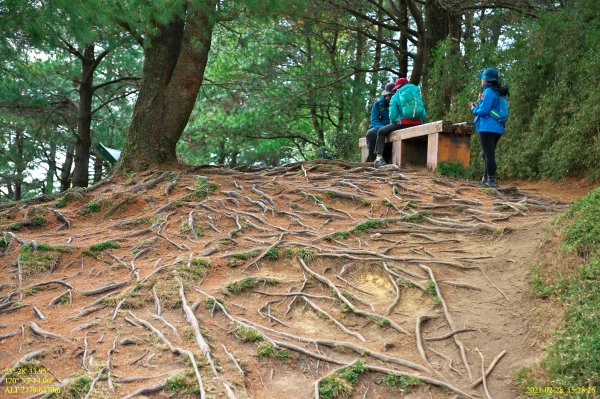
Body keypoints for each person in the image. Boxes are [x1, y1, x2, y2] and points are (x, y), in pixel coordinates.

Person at [470, 67, 509, 187]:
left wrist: (473, 108)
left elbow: (483, 111)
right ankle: (485, 180)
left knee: (488, 155)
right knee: (487, 154)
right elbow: (490, 107)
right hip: (498, 127)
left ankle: (491, 181)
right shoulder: (498, 92)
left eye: (482, 78)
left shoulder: (489, 92)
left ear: (486, 80)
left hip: (487, 127)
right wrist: (479, 101)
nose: (481, 80)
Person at [373, 77, 426, 166]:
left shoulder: (396, 96)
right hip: (418, 123)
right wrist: (421, 123)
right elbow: (423, 111)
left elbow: (393, 115)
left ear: (397, 87)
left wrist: (395, 122)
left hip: (403, 123)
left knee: (381, 132)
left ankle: (379, 158)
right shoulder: (416, 94)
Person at [365, 82, 394, 162]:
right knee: (371, 133)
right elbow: (374, 121)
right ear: (386, 95)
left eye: (393, 95)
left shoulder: (397, 103)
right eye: (390, 95)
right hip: (380, 128)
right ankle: (374, 161)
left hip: (392, 127)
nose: (391, 97)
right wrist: (383, 129)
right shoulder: (377, 104)